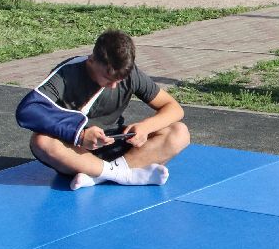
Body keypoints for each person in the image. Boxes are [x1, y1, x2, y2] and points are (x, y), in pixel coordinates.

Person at [17, 30, 190, 188]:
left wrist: (146, 126)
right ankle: (124, 175)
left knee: (179, 132)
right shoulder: (68, 72)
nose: (114, 86)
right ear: (92, 60)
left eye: (120, 79)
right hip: (76, 152)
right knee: (41, 142)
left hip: (117, 145)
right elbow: (28, 110)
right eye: (108, 78)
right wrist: (80, 135)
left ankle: (102, 175)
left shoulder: (130, 74)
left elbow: (174, 108)